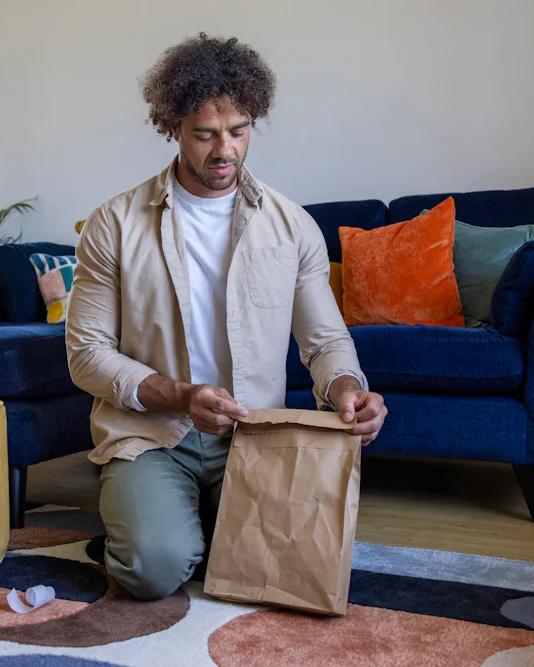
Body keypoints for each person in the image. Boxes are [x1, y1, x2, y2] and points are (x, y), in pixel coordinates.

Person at [65, 33, 387, 601]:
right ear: (173, 129)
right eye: (205, 134)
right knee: (152, 571)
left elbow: (325, 341)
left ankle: (193, 525)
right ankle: (154, 523)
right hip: (152, 434)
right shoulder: (111, 224)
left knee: (284, 567)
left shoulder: (293, 226)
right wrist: (180, 394)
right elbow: (87, 356)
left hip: (257, 436)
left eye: (238, 132)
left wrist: (346, 389)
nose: (225, 150)